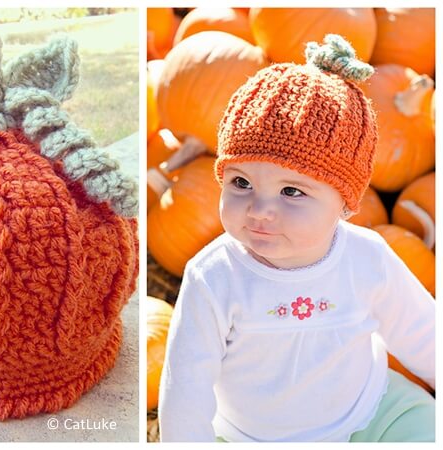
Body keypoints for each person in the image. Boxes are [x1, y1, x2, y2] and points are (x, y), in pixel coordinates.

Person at [158, 34, 435, 442]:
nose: (259, 209)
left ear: (344, 203)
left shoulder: (366, 258)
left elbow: (424, 334)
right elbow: (186, 387)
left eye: (292, 191)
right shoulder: (213, 277)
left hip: (367, 415)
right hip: (248, 435)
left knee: (424, 425)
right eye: (240, 182)